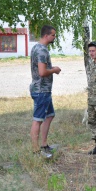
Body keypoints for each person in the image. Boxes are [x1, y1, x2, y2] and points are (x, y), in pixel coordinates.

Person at [29, 25, 62, 158]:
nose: (54, 37)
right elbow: (42, 72)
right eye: (53, 35)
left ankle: (44, 145)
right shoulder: (42, 51)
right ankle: (36, 151)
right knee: (38, 120)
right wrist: (54, 70)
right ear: (46, 35)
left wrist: (51, 68)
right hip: (41, 90)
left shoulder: (36, 48)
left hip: (44, 90)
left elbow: (41, 69)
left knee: (50, 115)